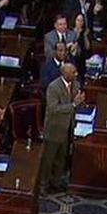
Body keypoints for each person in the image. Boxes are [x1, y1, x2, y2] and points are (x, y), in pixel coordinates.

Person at [42, 62, 84, 193]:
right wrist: (73, 105)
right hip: (54, 128)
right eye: (73, 72)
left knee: (62, 157)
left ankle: (56, 182)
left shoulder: (76, 84)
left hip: (68, 128)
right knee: (49, 159)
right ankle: (43, 185)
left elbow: (77, 105)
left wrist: (80, 103)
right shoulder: (53, 87)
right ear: (65, 74)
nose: (76, 74)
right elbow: (53, 108)